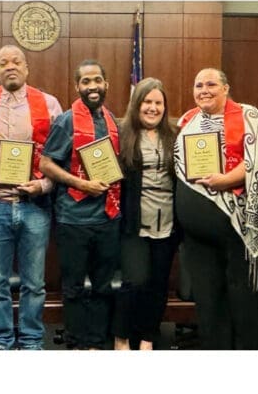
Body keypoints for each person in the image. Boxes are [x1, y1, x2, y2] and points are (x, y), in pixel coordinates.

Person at [174, 67, 258, 349]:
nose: (203, 90)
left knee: (245, 297)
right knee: (209, 298)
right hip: (198, 237)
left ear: (226, 88)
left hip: (242, 229)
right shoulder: (187, 120)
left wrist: (227, 180)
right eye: (198, 85)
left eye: (211, 84)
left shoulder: (249, 116)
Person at [0, 45, 62, 350]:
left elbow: (60, 156)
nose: (10, 66)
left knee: (34, 284)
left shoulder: (49, 104)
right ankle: (0, 341)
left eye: (16, 62)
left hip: (34, 205)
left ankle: (31, 342)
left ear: (26, 68)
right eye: (3, 63)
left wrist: (44, 186)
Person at [39, 59, 121, 350]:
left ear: (106, 83)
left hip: (107, 218)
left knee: (102, 286)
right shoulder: (66, 120)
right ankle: (76, 343)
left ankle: (97, 343)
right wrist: (80, 184)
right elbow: (46, 163)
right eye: (85, 82)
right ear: (77, 86)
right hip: (73, 218)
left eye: (97, 80)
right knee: (73, 288)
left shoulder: (112, 120)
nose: (92, 86)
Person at [112, 77, 180, 351]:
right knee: (134, 282)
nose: (152, 108)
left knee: (158, 284)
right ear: (136, 104)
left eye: (158, 103)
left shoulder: (174, 134)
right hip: (134, 221)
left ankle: (148, 337)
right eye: (147, 102)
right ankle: (122, 336)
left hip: (169, 221)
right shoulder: (121, 133)